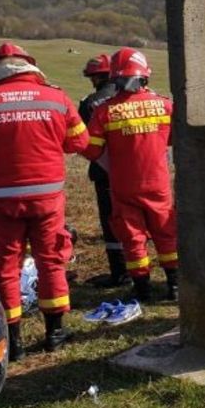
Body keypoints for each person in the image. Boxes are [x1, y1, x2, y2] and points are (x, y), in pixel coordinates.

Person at [0, 42, 89, 359]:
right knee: (51, 261)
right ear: (30, 67)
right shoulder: (57, 97)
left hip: (0, 202)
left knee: (4, 266)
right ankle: (55, 334)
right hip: (47, 200)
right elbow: (80, 140)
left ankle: (14, 342)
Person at [83, 47, 178, 302]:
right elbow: (173, 139)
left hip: (123, 184)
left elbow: (91, 149)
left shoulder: (104, 111)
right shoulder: (165, 105)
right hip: (157, 181)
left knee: (132, 237)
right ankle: (175, 286)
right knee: (166, 232)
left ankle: (142, 289)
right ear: (144, 74)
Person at [77, 53, 129, 288]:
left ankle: (119, 273)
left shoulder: (91, 103)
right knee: (135, 220)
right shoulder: (130, 98)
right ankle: (140, 270)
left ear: (97, 78)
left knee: (111, 222)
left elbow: (82, 141)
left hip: (104, 171)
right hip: (134, 169)